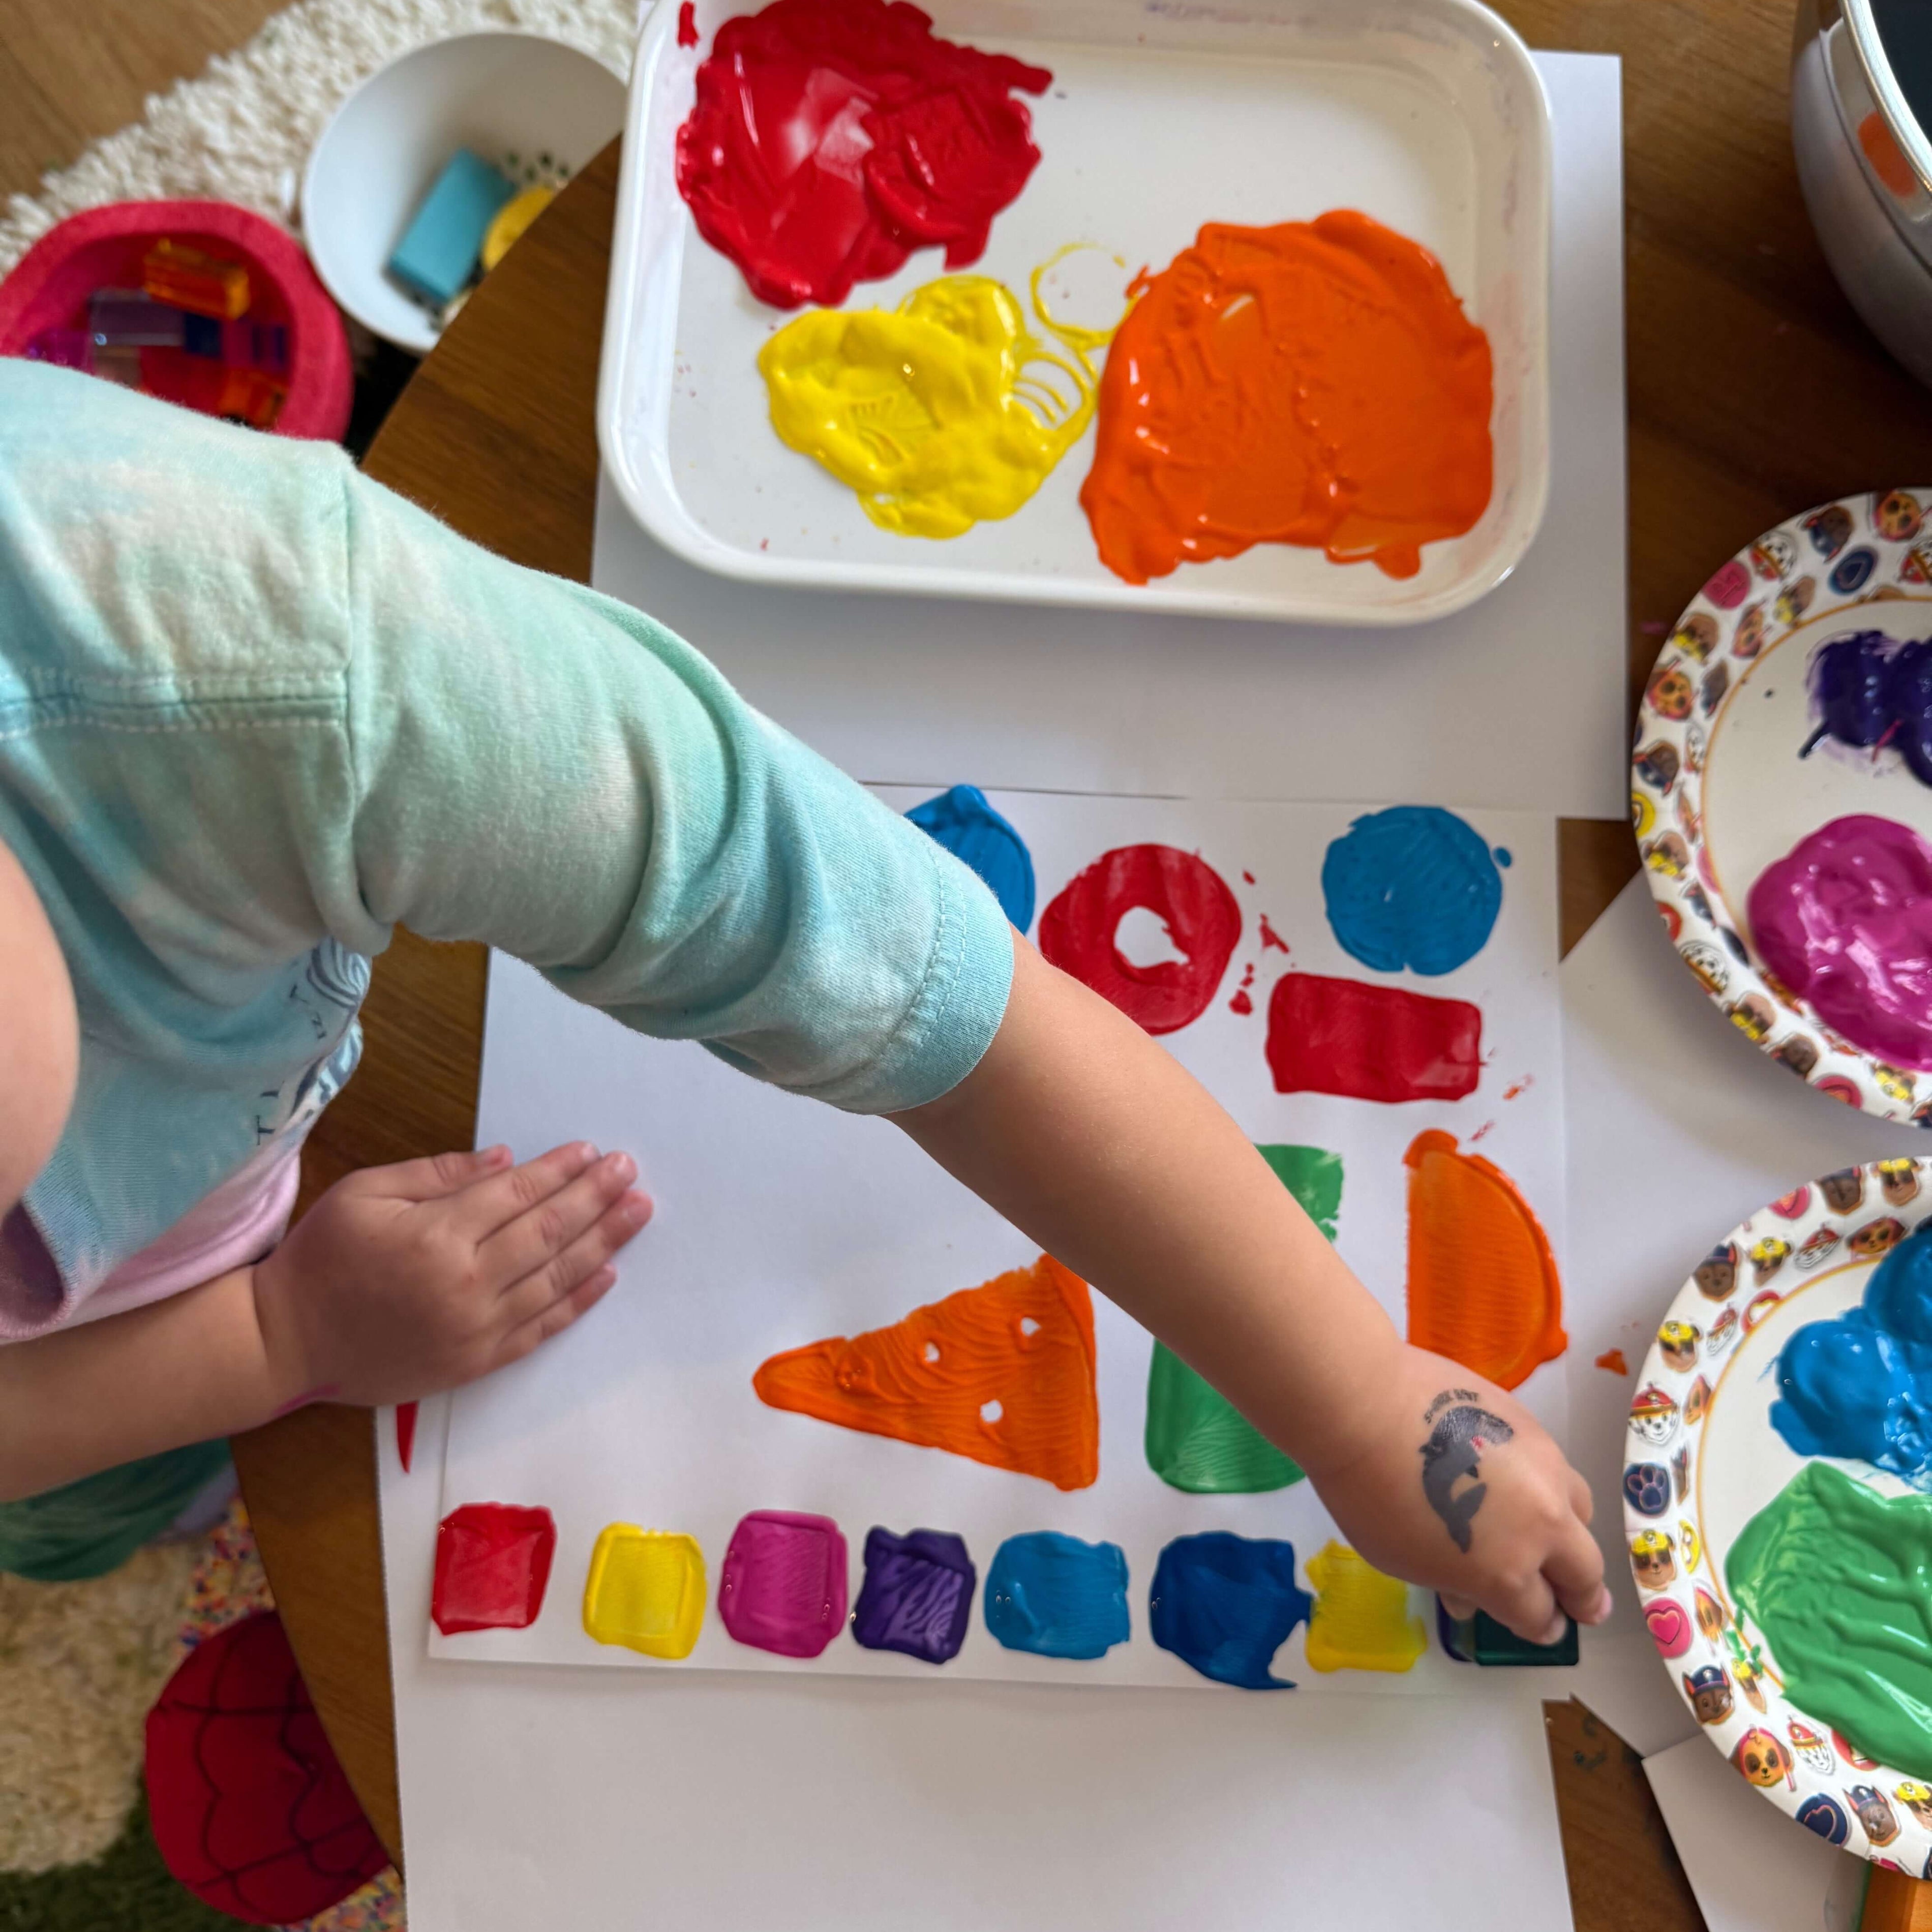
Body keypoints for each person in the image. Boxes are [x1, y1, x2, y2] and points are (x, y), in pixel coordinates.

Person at [0, 361, 1608, 1641]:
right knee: (89, 1511)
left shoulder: (296, 657)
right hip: (100, 1375)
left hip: (208, 1200)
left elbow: (940, 999)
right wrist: (269, 1345)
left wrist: (1363, 1399)